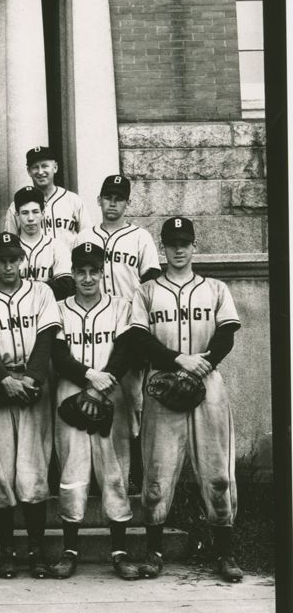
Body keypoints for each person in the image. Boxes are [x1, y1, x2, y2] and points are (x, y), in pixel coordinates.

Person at [128, 217, 243, 583]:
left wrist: (202, 363)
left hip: (207, 383)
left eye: (185, 242)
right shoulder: (147, 291)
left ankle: (224, 552)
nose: (179, 249)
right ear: (163, 248)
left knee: (218, 475)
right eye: (172, 243)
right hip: (163, 383)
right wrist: (179, 360)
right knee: (158, 475)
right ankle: (154, 551)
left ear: (195, 246)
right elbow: (139, 339)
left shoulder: (215, 288)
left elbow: (226, 334)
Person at [0, 231, 63, 580]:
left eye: (13, 259)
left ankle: (36, 549)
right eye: (2, 259)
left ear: (22, 259)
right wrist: (3, 379)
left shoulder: (41, 292)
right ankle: (8, 549)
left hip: (33, 384)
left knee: (33, 469)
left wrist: (32, 379)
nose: (8, 265)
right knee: (0, 471)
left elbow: (46, 338)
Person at [50, 242, 140, 580]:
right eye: (81, 271)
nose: (87, 278)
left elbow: (125, 351)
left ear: (103, 272)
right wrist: (90, 377)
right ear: (72, 274)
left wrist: (104, 381)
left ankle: (119, 552)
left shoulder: (121, 307)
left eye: (93, 271)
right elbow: (58, 355)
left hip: (111, 394)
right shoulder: (58, 308)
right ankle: (69, 551)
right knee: (72, 474)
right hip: (71, 394)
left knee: (114, 473)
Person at [76, 173, 162, 439]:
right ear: (98, 200)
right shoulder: (84, 236)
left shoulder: (140, 237)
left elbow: (151, 284)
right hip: (95, 322)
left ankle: (136, 469)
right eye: (108, 198)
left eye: (119, 199)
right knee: (98, 391)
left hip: (130, 322)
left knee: (134, 398)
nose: (112, 204)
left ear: (128, 203)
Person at [2, 146, 94, 249]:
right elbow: (10, 245)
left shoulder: (73, 201)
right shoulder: (17, 205)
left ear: (55, 167)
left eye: (45, 166)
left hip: (68, 263)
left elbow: (87, 238)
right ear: (29, 171)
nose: (40, 172)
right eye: (35, 167)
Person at [12, 186, 75, 301]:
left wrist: (22, 291)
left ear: (43, 213)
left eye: (35, 212)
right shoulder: (9, 248)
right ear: (17, 214)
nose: (30, 218)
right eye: (25, 213)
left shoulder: (58, 247)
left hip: (51, 311)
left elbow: (65, 286)